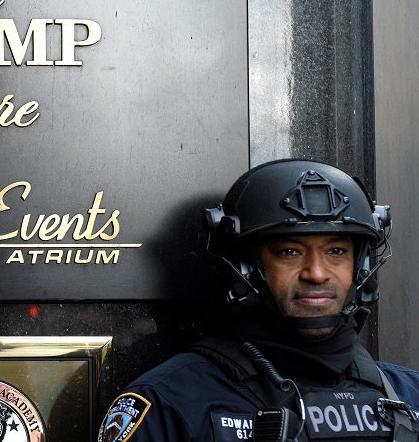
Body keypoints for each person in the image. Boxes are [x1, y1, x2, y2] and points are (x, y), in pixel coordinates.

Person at [98, 158, 419, 442]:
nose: (317, 273)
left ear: (359, 266)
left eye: (336, 251)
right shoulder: (171, 403)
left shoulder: (410, 395)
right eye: (289, 252)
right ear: (246, 268)